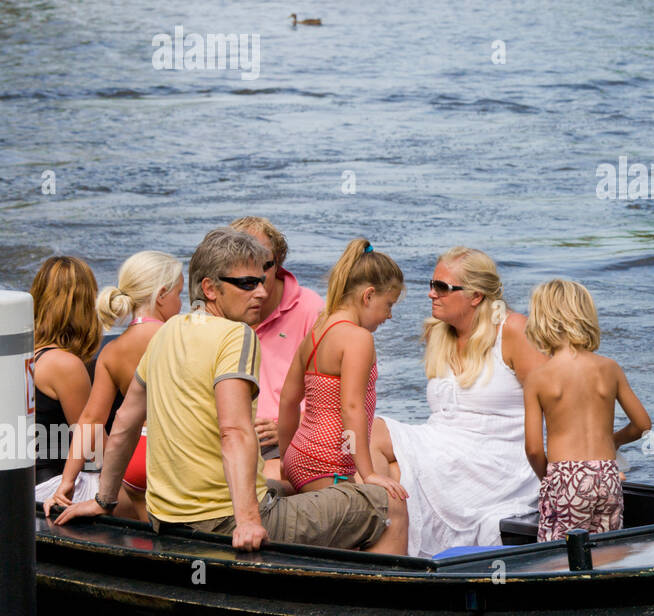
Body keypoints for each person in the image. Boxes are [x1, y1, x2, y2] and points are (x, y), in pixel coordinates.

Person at [55, 228, 408, 554]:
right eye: (247, 283)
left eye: (262, 280)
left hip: (169, 519)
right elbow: (235, 432)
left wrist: (103, 500)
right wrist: (249, 521)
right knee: (389, 504)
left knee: (281, 486)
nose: (262, 291)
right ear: (210, 288)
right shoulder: (236, 336)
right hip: (221, 521)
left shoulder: (167, 331)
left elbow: (125, 424)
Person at [369, 247, 550, 557]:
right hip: (444, 445)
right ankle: (386, 558)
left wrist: (588, 458)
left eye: (442, 287)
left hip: (497, 460)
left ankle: (390, 565)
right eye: (431, 283)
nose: (430, 294)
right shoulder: (441, 334)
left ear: (476, 296)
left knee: (387, 457)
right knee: (367, 435)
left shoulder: (513, 330)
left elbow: (559, 401)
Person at [42, 251, 184, 522]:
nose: (180, 303)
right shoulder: (177, 336)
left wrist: (67, 482)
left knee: (146, 533)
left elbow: (91, 419)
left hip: (131, 460)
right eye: (179, 293)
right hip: (170, 452)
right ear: (162, 294)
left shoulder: (112, 351)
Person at [522, 280, 651, 542]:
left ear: (541, 320)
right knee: (606, 551)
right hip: (607, 474)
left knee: (559, 553)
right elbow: (642, 424)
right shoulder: (609, 368)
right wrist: (612, 440)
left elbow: (534, 448)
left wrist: (550, 479)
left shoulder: (538, 377)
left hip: (566, 477)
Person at [279, 239, 407, 504]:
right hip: (327, 465)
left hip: (301, 455)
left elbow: (288, 400)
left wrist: (285, 458)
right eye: (389, 305)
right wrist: (368, 473)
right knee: (392, 510)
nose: (389, 315)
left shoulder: (318, 331)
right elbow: (351, 407)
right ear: (368, 295)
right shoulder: (357, 338)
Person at [229, 216, 325, 483]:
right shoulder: (220, 308)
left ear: (278, 263)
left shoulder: (310, 308)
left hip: (291, 436)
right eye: (245, 264)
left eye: (265, 264)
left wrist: (285, 425)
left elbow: (335, 394)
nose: (257, 275)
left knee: (268, 478)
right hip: (229, 433)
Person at [28, 257, 99, 505]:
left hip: (21, 481)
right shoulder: (64, 365)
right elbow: (95, 446)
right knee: (137, 494)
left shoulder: (24, 353)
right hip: (50, 485)